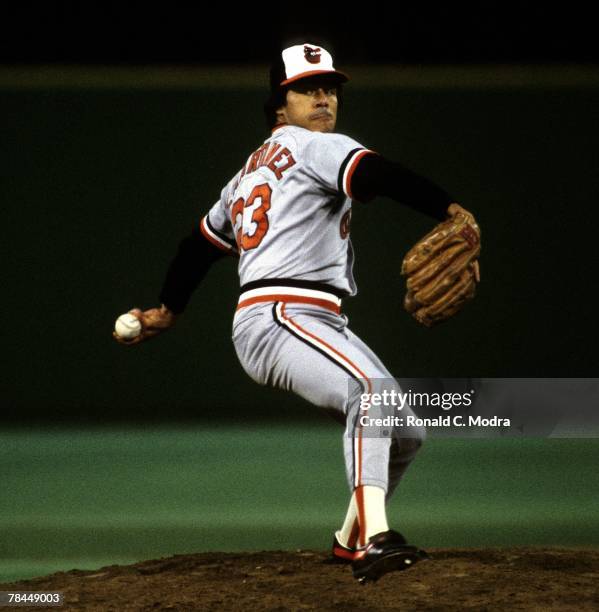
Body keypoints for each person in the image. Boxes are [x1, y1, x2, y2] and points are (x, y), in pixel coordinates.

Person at [114, 42, 475, 583]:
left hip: (308, 318)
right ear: (280, 106)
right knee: (370, 396)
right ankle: (376, 541)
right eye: (308, 89)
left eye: (330, 88)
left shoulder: (246, 176)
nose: (324, 97)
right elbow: (376, 174)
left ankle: (351, 538)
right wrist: (448, 206)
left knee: (405, 429)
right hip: (279, 314)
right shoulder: (311, 147)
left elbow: (200, 245)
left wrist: (169, 309)